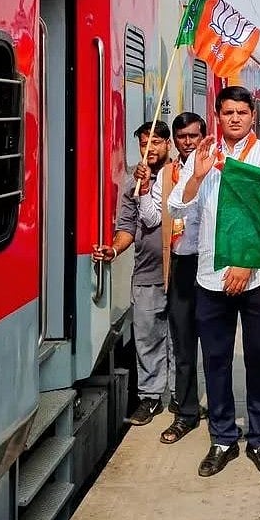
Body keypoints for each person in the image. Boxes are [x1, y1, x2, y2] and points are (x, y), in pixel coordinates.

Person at [168, 86, 260, 479]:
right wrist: (196, 177)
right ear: (217, 115)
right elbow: (177, 207)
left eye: (241, 112)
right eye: (227, 112)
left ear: (253, 116)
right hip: (210, 277)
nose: (234, 118)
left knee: (259, 358)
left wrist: (246, 263)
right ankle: (222, 438)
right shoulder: (203, 155)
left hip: (255, 278)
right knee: (215, 360)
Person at [93, 121, 173, 426]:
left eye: (155, 142)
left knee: (179, 341)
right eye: (143, 143)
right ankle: (150, 398)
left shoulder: (179, 176)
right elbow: (127, 228)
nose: (149, 149)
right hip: (146, 273)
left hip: (178, 274)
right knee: (147, 338)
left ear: (168, 145)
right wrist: (113, 250)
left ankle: (180, 397)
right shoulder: (131, 185)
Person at [137, 112, 208, 443]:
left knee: (214, 345)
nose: (188, 141)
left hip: (210, 265)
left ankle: (219, 410)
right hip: (180, 264)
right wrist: (144, 187)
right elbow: (153, 217)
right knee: (182, 343)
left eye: (194, 135)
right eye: (182, 137)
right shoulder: (167, 174)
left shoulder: (217, 168)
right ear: (175, 141)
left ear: (203, 135)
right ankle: (187, 411)